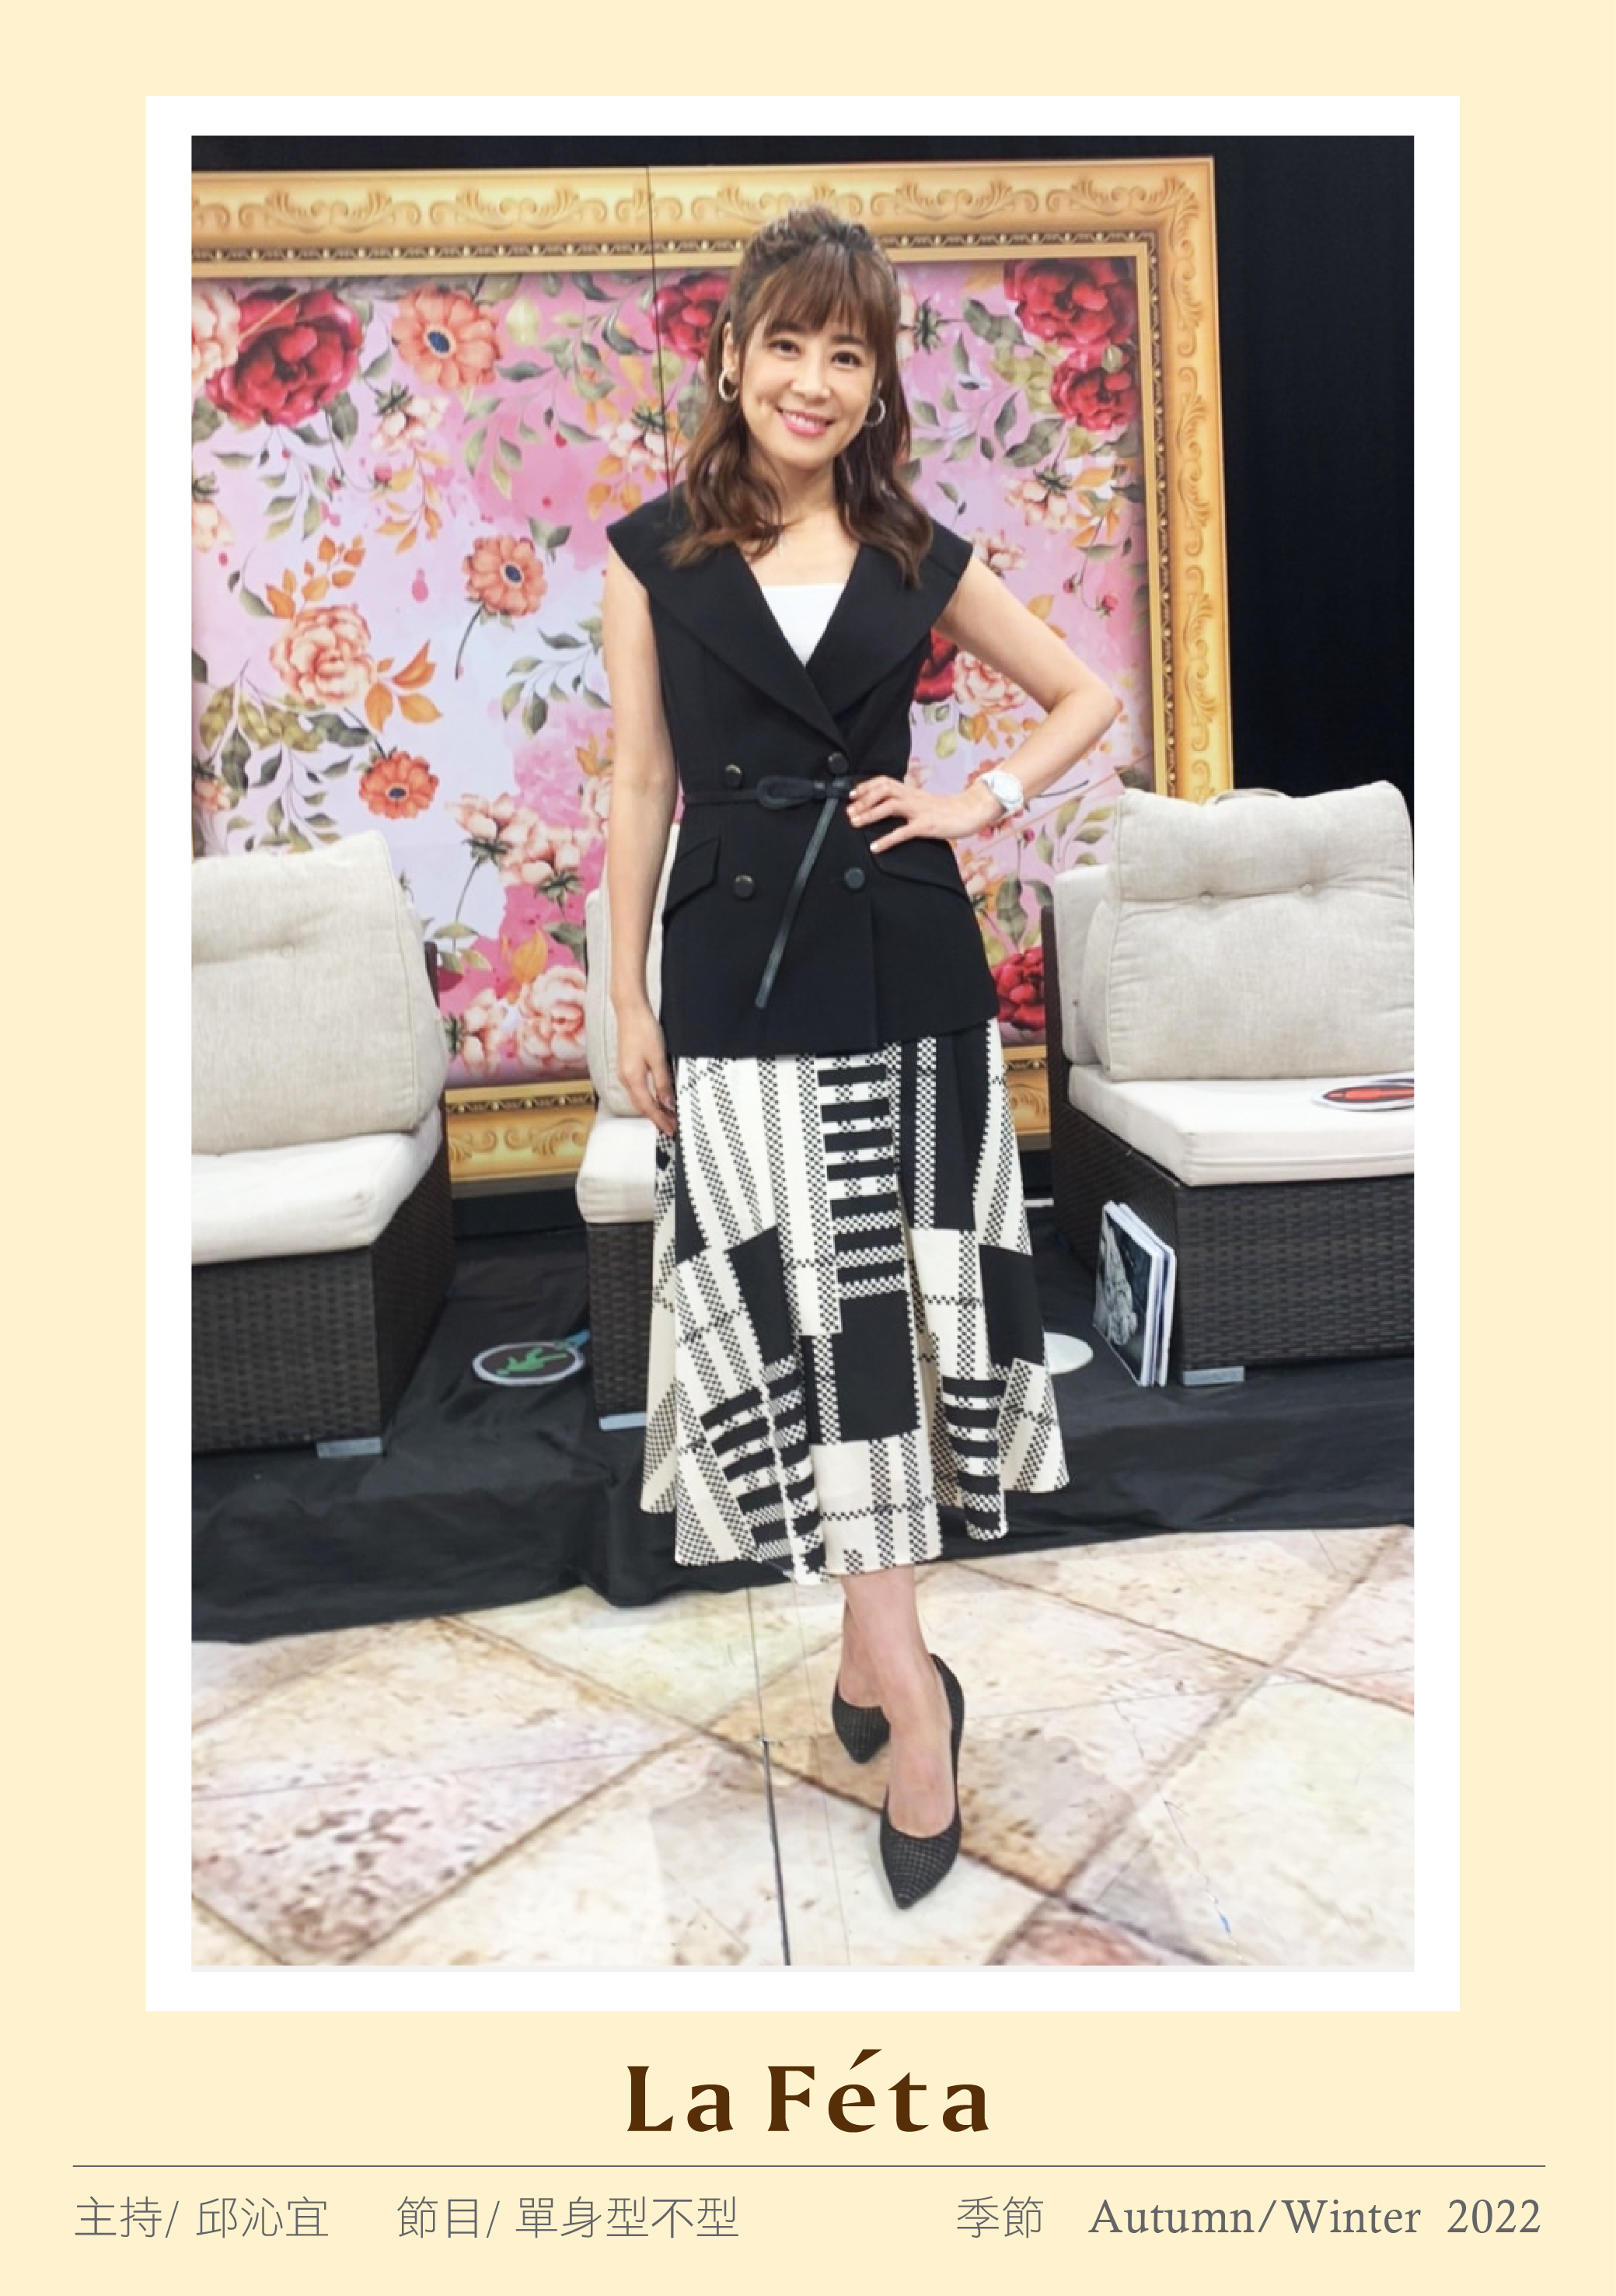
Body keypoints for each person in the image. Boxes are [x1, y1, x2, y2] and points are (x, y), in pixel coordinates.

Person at [602, 206, 1119, 1910]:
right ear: (730, 356)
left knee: (886, 1326)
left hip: (905, 969)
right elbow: (639, 789)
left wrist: (980, 799)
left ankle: (900, 1691)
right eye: (788, 345)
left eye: (849, 353)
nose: (814, 382)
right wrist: (625, 1001)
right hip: (734, 975)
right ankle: (902, 1673)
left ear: (877, 379)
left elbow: (1082, 696)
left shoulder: (911, 549)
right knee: (792, 1318)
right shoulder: (653, 553)